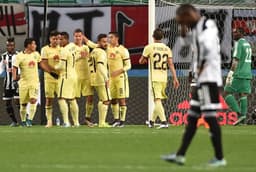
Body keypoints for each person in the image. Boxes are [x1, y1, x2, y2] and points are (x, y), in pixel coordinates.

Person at [162, 4, 226, 167]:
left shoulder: (207, 26)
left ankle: (219, 158)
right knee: (192, 118)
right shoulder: (196, 28)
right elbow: (187, 43)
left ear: (189, 15)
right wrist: (183, 29)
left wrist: (199, 70)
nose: (182, 23)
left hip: (208, 79)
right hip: (201, 79)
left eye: (182, 20)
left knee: (210, 117)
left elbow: (209, 52)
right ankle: (180, 155)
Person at [139, 28, 179, 129]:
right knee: (159, 100)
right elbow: (171, 64)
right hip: (164, 78)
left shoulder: (149, 47)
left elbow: (141, 61)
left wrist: (146, 58)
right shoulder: (167, 48)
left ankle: (164, 122)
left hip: (155, 78)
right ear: (162, 37)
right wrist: (175, 78)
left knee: (157, 100)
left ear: (153, 36)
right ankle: (151, 122)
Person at [12, 38, 58, 127]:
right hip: (23, 83)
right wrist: (14, 78)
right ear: (29, 45)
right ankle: (23, 120)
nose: (35, 46)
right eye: (34, 44)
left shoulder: (36, 54)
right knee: (23, 104)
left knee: (33, 100)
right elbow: (14, 68)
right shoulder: (19, 56)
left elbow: (41, 64)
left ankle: (29, 120)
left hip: (34, 82)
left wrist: (51, 72)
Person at [224, 28, 252, 126]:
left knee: (226, 92)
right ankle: (243, 119)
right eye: (233, 32)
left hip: (239, 73)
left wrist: (230, 74)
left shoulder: (239, 43)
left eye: (236, 32)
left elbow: (235, 61)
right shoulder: (248, 44)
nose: (234, 34)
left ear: (241, 33)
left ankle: (239, 114)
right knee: (243, 94)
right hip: (247, 73)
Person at [55, 32, 79, 127]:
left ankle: (66, 122)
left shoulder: (64, 51)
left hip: (65, 76)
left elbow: (61, 66)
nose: (58, 41)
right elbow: (77, 56)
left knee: (61, 98)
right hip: (74, 74)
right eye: (58, 39)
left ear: (66, 39)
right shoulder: (73, 46)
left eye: (61, 39)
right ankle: (76, 122)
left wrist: (54, 67)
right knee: (72, 99)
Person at [107, 32, 131, 127]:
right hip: (111, 79)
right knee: (112, 99)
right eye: (109, 37)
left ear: (117, 38)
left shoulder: (123, 50)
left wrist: (119, 71)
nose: (109, 39)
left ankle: (122, 121)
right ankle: (116, 119)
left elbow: (128, 65)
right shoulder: (107, 49)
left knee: (122, 99)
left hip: (121, 78)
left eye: (111, 37)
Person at [72, 29, 94, 127]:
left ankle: (87, 118)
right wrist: (79, 56)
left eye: (79, 36)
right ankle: (75, 120)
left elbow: (89, 59)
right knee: (73, 98)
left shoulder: (86, 48)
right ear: (74, 37)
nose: (78, 38)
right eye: (76, 36)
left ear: (82, 37)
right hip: (75, 76)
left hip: (86, 75)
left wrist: (87, 56)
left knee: (90, 97)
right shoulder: (71, 47)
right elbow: (70, 59)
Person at [88, 34, 111, 127]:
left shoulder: (93, 51)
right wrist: (106, 78)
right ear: (98, 42)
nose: (106, 43)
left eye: (106, 41)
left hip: (94, 78)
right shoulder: (101, 52)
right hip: (101, 78)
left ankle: (101, 122)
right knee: (106, 100)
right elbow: (100, 65)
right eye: (103, 42)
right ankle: (102, 122)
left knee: (102, 99)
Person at [41, 30, 61, 128]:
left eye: (58, 39)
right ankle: (49, 121)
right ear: (50, 39)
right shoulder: (45, 49)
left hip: (61, 77)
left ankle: (65, 120)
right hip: (49, 78)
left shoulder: (62, 49)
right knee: (49, 99)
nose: (56, 41)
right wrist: (52, 73)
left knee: (63, 98)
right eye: (54, 39)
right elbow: (43, 64)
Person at [0, 37, 19, 126]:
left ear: (14, 46)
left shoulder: (19, 55)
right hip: (7, 83)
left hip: (17, 83)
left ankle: (24, 120)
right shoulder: (3, 56)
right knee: (7, 103)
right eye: (8, 45)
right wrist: (3, 73)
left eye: (11, 45)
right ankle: (14, 121)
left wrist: (19, 75)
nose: (10, 47)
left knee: (18, 102)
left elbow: (22, 67)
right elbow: (1, 68)